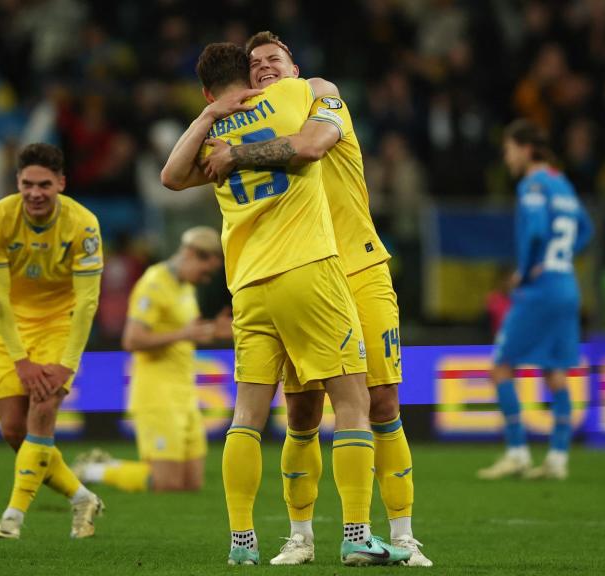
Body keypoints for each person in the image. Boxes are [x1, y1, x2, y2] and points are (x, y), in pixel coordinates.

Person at [160, 42, 409, 566]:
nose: (267, 67)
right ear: (245, 83)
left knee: (260, 414)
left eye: (276, 59)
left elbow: (175, 176)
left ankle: (248, 541)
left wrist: (217, 128)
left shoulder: (307, 98)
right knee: (331, 406)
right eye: (256, 65)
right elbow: (303, 146)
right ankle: (338, 534)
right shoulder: (292, 98)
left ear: (295, 67)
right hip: (311, 270)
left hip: (299, 274)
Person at [0, 143, 105, 539]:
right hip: (10, 327)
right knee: (15, 431)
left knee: (43, 411)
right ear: (17, 183)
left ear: (61, 184)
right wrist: (19, 359)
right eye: (27, 184)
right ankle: (82, 496)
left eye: (44, 185)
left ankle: (12, 517)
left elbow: (87, 301)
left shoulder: (83, 225)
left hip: (59, 325)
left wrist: (67, 362)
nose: (35, 193)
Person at [474, 120, 593, 481]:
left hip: (539, 291)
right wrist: (560, 258)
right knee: (556, 375)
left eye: (509, 150)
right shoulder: (562, 184)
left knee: (501, 368)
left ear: (526, 149)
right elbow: (587, 229)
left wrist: (525, 271)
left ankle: (517, 452)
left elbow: (538, 229)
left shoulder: (532, 185)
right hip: (567, 286)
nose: (507, 158)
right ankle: (557, 459)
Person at [73, 227, 229, 493]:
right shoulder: (154, 283)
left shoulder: (185, 288)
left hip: (184, 390)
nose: (205, 279)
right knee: (166, 483)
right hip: (156, 392)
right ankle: (94, 469)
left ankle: (101, 467)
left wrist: (214, 330)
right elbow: (132, 340)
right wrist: (185, 333)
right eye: (205, 271)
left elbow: (183, 333)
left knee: (192, 483)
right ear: (191, 254)